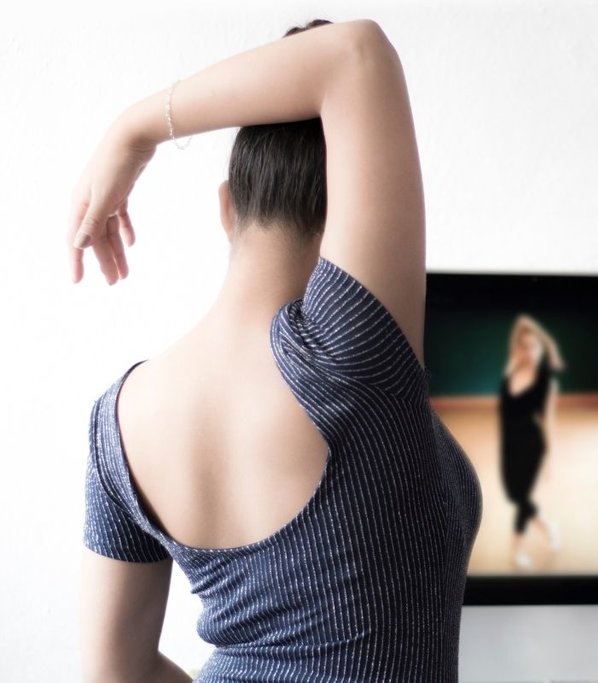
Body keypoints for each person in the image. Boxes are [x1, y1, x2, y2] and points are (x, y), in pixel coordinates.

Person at [69, 18, 482, 682]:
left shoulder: (115, 422)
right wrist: (132, 130)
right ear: (363, 205)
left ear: (226, 208)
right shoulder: (351, 356)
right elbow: (355, 52)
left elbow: (113, 673)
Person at [497, 314, 564, 569]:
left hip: (531, 446)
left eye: (535, 346)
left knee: (522, 498)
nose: (530, 351)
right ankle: (549, 527)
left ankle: (516, 550)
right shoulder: (510, 373)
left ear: (541, 348)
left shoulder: (548, 382)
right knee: (514, 495)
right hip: (508, 445)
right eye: (524, 346)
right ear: (518, 348)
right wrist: (523, 330)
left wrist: (550, 459)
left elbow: (548, 421)